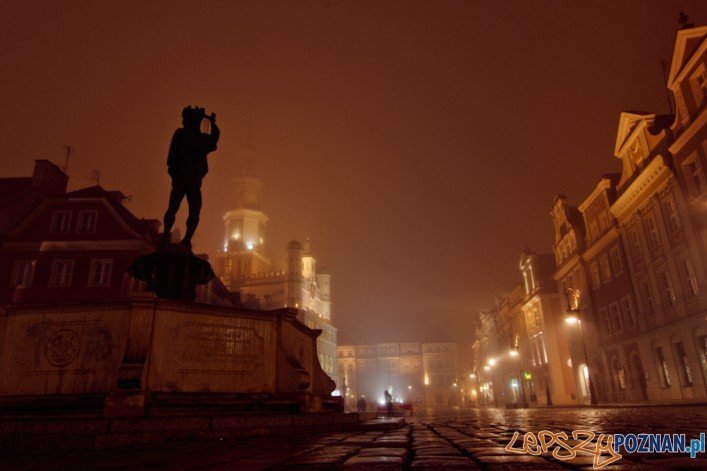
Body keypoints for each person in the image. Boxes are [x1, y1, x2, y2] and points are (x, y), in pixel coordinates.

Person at [162, 105, 220, 250]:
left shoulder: (194, 137)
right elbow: (214, 139)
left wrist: (211, 122)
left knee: (191, 210)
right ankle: (168, 236)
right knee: (177, 208)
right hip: (184, 180)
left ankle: (185, 239)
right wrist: (211, 122)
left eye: (185, 119)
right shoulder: (186, 136)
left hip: (189, 181)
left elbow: (214, 138)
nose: (183, 122)